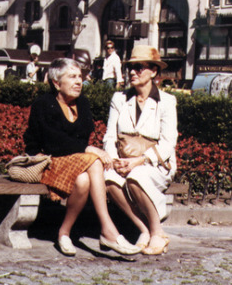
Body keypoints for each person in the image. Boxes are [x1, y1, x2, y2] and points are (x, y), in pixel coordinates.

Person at [24, 58, 141, 257]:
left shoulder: (83, 104)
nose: (79, 81)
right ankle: (108, 230)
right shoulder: (43, 104)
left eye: (80, 76)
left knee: (84, 180)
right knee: (94, 159)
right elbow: (52, 142)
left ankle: (64, 233)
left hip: (74, 162)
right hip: (48, 161)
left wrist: (86, 149)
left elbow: (80, 140)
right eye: (72, 77)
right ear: (56, 82)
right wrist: (89, 149)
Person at [103, 45, 178, 255]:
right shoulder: (119, 99)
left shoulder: (167, 102)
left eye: (139, 67)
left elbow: (167, 143)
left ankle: (157, 232)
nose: (132, 72)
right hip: (123, 160)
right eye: (130, 68)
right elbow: (110, 136)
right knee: (108, 178)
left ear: (153, 71)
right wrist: (114, 159)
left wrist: (138, 161)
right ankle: (143, 229)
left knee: (136, 176)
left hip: (155, 163)